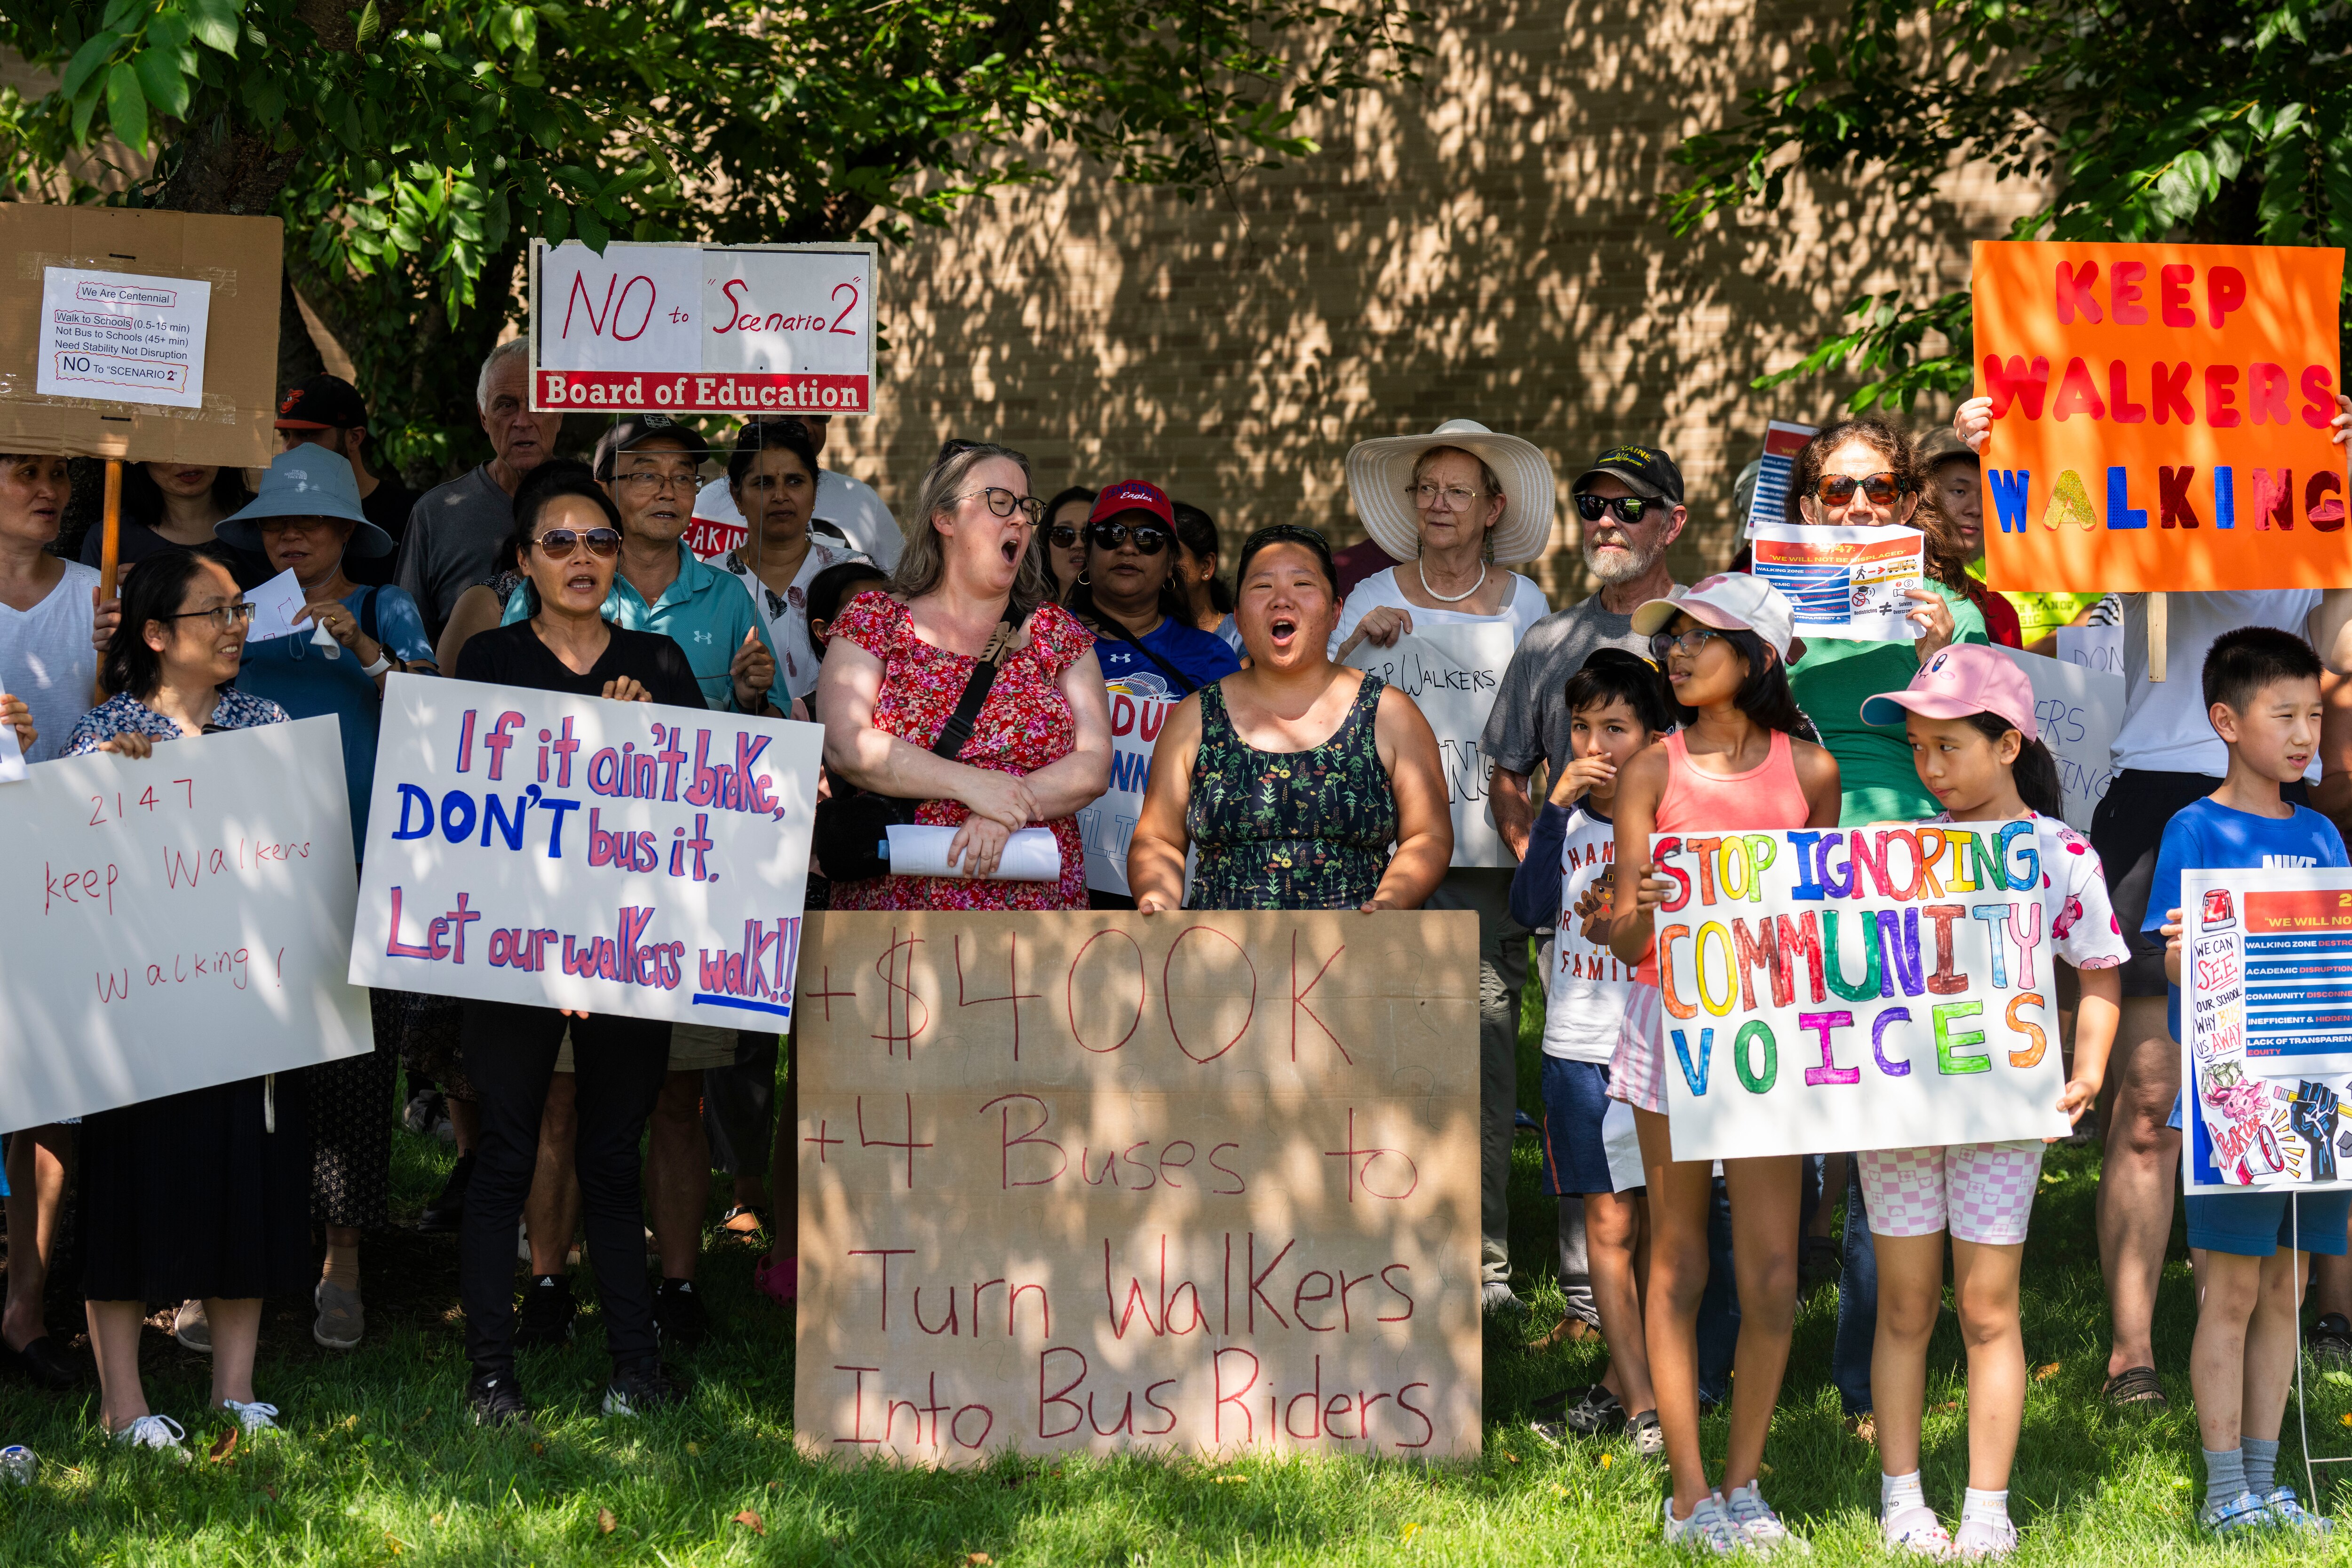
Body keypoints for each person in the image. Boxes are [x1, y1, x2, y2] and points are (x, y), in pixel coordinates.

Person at [1952, 392, 2352, 1414]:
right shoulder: (2130, 482)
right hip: (2153, 797)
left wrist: (2342, 489)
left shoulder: (2309, 493)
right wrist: (2009, 451)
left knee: (2288, 1074)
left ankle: (2303, 1310)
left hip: (2278, 810)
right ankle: (2131, 1351)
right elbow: (2038, 573)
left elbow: (2341, 646)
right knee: (2145, 1097)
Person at [497, 423, 778, 1349]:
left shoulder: (730, 597)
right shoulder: (545, 587)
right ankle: (546, 1276)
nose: (666, 488)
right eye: (645, 473)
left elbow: (749, 756)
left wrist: (746, 700)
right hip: (561, 890)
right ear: (610, 490)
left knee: (677, 1096)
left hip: (673, 899)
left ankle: (680, 1283)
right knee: (560, 1098)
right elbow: (499, 726)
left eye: (682, 474)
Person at [1856, 645, 2126, 1557]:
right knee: (1903, 1304)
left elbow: (2098, 969)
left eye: (1948, 747)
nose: (1928, 768)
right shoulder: (1884, 852)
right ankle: (1901, 1499)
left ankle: (1985, 1505)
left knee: (1986, 1307)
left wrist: (2086, 1069)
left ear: (2008, 744)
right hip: (1893, 1107)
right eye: (1918, 749)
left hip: (2001, 1113)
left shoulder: (2059, 853)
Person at [449, 467, 700, 1425]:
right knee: (508, 1151)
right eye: (559, 542)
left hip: (631, 950)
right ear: (523, 561)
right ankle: (491, 1376)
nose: (583, 557)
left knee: (608, 1152)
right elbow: (477, 821)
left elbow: (694, 824)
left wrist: (645, 734)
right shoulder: (490, 662)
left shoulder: (662, 665)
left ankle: (637, 1368)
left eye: (598, 540)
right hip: (510, 950)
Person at [1601, 573, 1841, 1552]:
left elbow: (1830, 922)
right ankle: (1689, 1491)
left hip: (1773, 1033)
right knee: (1679, 1254)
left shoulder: (1813, 773)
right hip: (1670, 1022)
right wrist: (1646, 902)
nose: (1677, 652)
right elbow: (1620, 937)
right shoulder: (1647, 771)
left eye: (1703, 636)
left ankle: (1746, 1483)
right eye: (1672, 639)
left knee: (1775, 1271)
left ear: (1760, 655)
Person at [63, 550, 305, 1454]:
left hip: (249, 1004)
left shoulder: (269, 723)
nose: (236, 624)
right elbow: (76, 882)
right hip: (141, 1016)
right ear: (157, 635)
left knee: (250, 1180)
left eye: (240, 608)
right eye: (215, 612)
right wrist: (112, 789)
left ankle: (233, 1390)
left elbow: (300, 851)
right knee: (128, 1185)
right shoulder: (103, 737)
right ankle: (123, 1404)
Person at [212, 445, 437, 1353]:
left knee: (352, 1066)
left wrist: (366, 650)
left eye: (308, 520)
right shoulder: (232, 611)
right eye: (275, 520)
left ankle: (341, 1258)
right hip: (240, 873)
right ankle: (226, 1254)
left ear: (349, 530)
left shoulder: (387, 608)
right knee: (236, 1068)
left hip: (357, 866)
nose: (290, 534)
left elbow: (437, 721)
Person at [1333, 417, 1553, 1313]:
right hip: (1381, 864)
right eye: (1427, 487)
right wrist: (1355, 647)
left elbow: (1543, 724)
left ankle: (1483, 1260)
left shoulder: (1527, 602)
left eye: (1458, 489)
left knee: (1485, 1058)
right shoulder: (1371, 595)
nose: (1438, 502)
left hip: (1484, 866)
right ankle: (1377, 1247)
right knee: (1378, 1059)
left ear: (1494, 507)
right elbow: (1311, 700)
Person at [2149, 628, 2348, 1533]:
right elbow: (2176, 957)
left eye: (2315, 715)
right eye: (2287, 716)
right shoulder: (2195, 826)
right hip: (2234, 1105)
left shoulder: (2325, 832)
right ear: (2227, 721)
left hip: (2317, 1106)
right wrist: (2194, 952)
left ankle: (2270, 1480)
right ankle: (2225, 1487)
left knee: (2287, 1291)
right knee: (2228, 1292)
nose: (2307, 734)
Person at [815, 441, 1112, 911]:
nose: (1019, 519)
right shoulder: (875, 618)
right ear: (944, 518)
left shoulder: (1057, 633)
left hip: (1034, 912)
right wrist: (970, 784)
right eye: (999, 501)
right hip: (897, 908)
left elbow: (1093, 764)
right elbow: (845, 746)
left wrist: (1006, 812)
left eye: (1025, 507)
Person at [1505, 648, 1674, 1457]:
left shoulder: (1670, 822)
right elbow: (1528, 905)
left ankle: (1620, 1380)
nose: (1596, 744)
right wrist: (1548, 808)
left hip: (1652, 1043)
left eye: (1617, 726)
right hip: (1577, 1047)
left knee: (1656, 1225)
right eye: (1582, 727)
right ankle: (1644, 1404)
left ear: (1654, 737)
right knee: (1606, 1222)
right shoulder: (1567, 819)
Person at [1126, 523, 1451, 913]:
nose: (1282, 600)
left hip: (1358, 951)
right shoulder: (1195, 716)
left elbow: (1427, 835)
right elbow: (1158, 839)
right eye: (1262, 587)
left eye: (1302, 584)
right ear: (1239, 617)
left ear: (1336, 612)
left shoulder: (1389, 713)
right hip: (1219, 959)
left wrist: (1390, 903)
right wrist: (1158, 901)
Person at [1488, 443, 1688, 861]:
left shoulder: (1711, 632)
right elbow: (1508, 776)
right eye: (1592, 505)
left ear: (1673, 525)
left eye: (1629, 507)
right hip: (1573, 910)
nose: (1605, 521)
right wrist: (1539, 862)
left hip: (1684, 904)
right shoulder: (1547, 640)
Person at [0, 452, 79, 1392]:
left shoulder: (105, 594)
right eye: (22, 470)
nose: (46, 488)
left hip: (71, 874)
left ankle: (27, 1306)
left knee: (51, 1099)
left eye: (56, 471)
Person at [396, 338, 563, 640]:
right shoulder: (435, 514)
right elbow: (407, 642)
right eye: (506, 405)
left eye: (539, 403)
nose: (522, 421)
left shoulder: (596, 505)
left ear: (561, 412)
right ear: (484, 418)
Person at [711, 420, 864, 703]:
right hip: (741, 743)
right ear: (737, 496)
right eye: (763, 483)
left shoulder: (853, 576)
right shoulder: (710, 581)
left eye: (795, 481)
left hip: (836, 743)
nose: (780, 496)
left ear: (815, 491)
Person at [689, 413, 903, 570]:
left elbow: (900, 584)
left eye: (820, 415)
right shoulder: (703, 506)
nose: (780, 496)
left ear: (815, 489)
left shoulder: (862, 502)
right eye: (792, 414)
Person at [275, 372, 421, 588]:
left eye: (306, 435)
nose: (289, 448)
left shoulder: (413, 514)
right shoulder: (274, 515)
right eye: (285, 436)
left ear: (354, 437)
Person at [78, 461, 262, 585]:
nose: (187, 459)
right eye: (167, 443)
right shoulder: (110, 537)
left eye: (200, 437)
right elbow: (95, 626)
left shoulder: (268, 520)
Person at [1170, 501, 1234, 637]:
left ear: (1207, 566)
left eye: (1173, 554)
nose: (1163, 565)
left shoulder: (1238, 635)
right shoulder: (1148, 632)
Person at [1034, 485, 1096, 602]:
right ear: (1046, 545)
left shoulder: (1133, 617)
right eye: (1063, 534)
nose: (1078, 545)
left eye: (1089, 534)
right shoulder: (1026, 619)